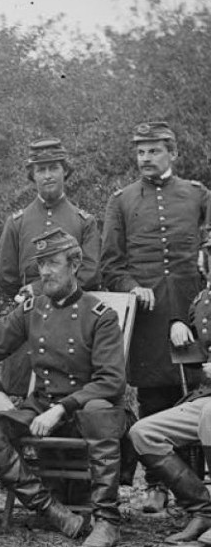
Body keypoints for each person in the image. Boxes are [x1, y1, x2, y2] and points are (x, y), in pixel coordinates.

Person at [0, 228, 127, 547]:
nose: (45, 272)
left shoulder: (100, 316)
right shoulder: (31, 310)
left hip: (83, 411)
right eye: (41, 264)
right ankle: (53, 511)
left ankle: (107, 520)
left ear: (75, 265)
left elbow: (111, 380)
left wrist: (62, 408)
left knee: (99, 411)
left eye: (53, 263)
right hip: (40, 406)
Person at [101, 121, 211, 512]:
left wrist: (192, 313)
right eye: (140, 151)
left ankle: (195, 487)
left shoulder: (197, 195)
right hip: (147, 316)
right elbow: (110, 264)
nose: (146, 158)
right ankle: (156, 486)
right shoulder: (122, 200)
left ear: (173, 153)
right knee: (153, 398)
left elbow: (207, 257)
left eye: (154, 151)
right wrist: (131, 286)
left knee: (195, 395)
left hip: (192, 312)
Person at [0, 139, 100, 397]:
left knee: (71, 394)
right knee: (21, 395)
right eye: (41, 170)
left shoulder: (84, 222)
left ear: (65, 170)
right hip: (28, 319)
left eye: (53, 167)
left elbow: (89, 273)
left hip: (72, 319)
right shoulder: (17, 223)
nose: (48, 175)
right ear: (32, 175)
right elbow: (6, 277)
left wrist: (39, 288)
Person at [128, 238, 211, 545]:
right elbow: (199, 361)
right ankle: (202, 510)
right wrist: (179, 324)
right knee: (142, 432)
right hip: (205, 396)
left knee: (210, 417)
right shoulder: (202, 300)